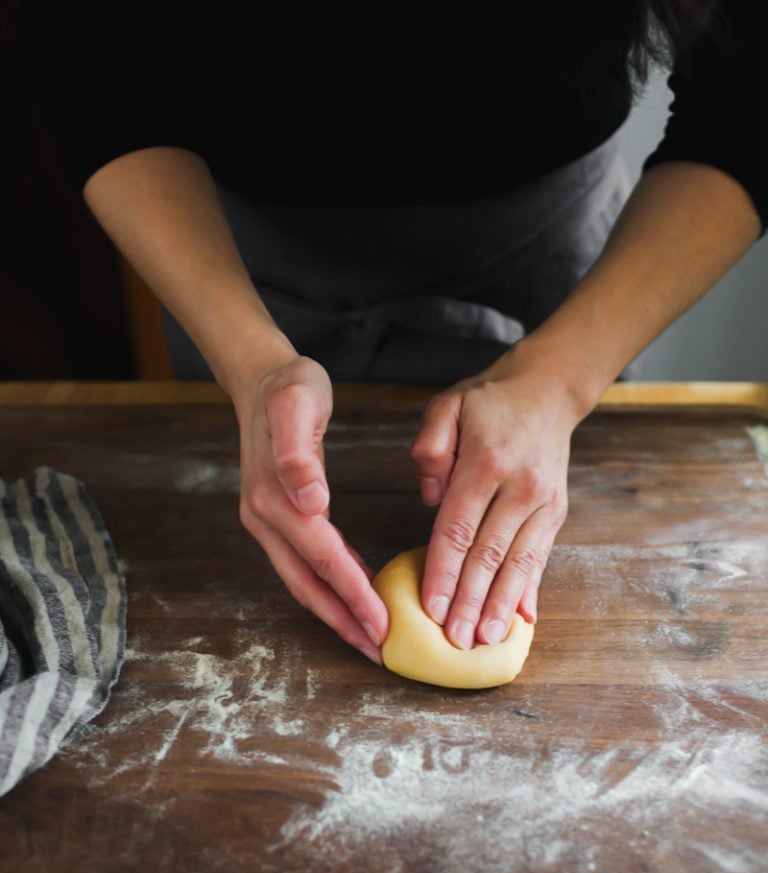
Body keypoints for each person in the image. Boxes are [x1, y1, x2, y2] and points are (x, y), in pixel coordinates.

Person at [20, 1, 766, 666]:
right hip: (228, 249)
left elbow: (749, 92)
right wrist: (252, 366)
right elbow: (89, 55)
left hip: (558, 251)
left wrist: (561, 378)